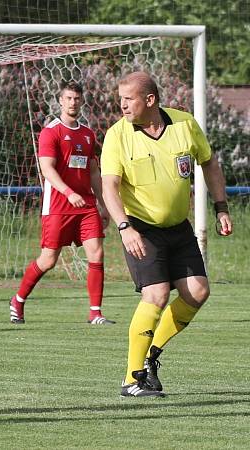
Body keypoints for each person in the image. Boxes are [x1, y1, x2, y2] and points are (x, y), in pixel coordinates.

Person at [101, 71, 233, 397]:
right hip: (140, 227)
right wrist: (124, 227)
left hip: (179, 227)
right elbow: (109, 187)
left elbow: (210, 164)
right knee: (157, 294)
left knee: (198, 292)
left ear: (150, 100)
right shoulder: (118, 135)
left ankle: (151, 354)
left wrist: (221, 207)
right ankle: (132, 379)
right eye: (120, 99)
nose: (122, 106)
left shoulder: (184, 125)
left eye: (128, 99)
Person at [9, 81, 113, 325]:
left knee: (96, 252)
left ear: (81, 100)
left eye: (76, 98)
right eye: (68, 98)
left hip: (86, 205)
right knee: (48, 260)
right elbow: (47, 168)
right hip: (58, 204)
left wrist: (103, 204)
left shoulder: (88, 134)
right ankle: (18, 300)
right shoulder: (50, 131)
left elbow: (94, 172)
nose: (73, 102)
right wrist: (68, 192)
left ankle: (95, 313)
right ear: (60, 101)